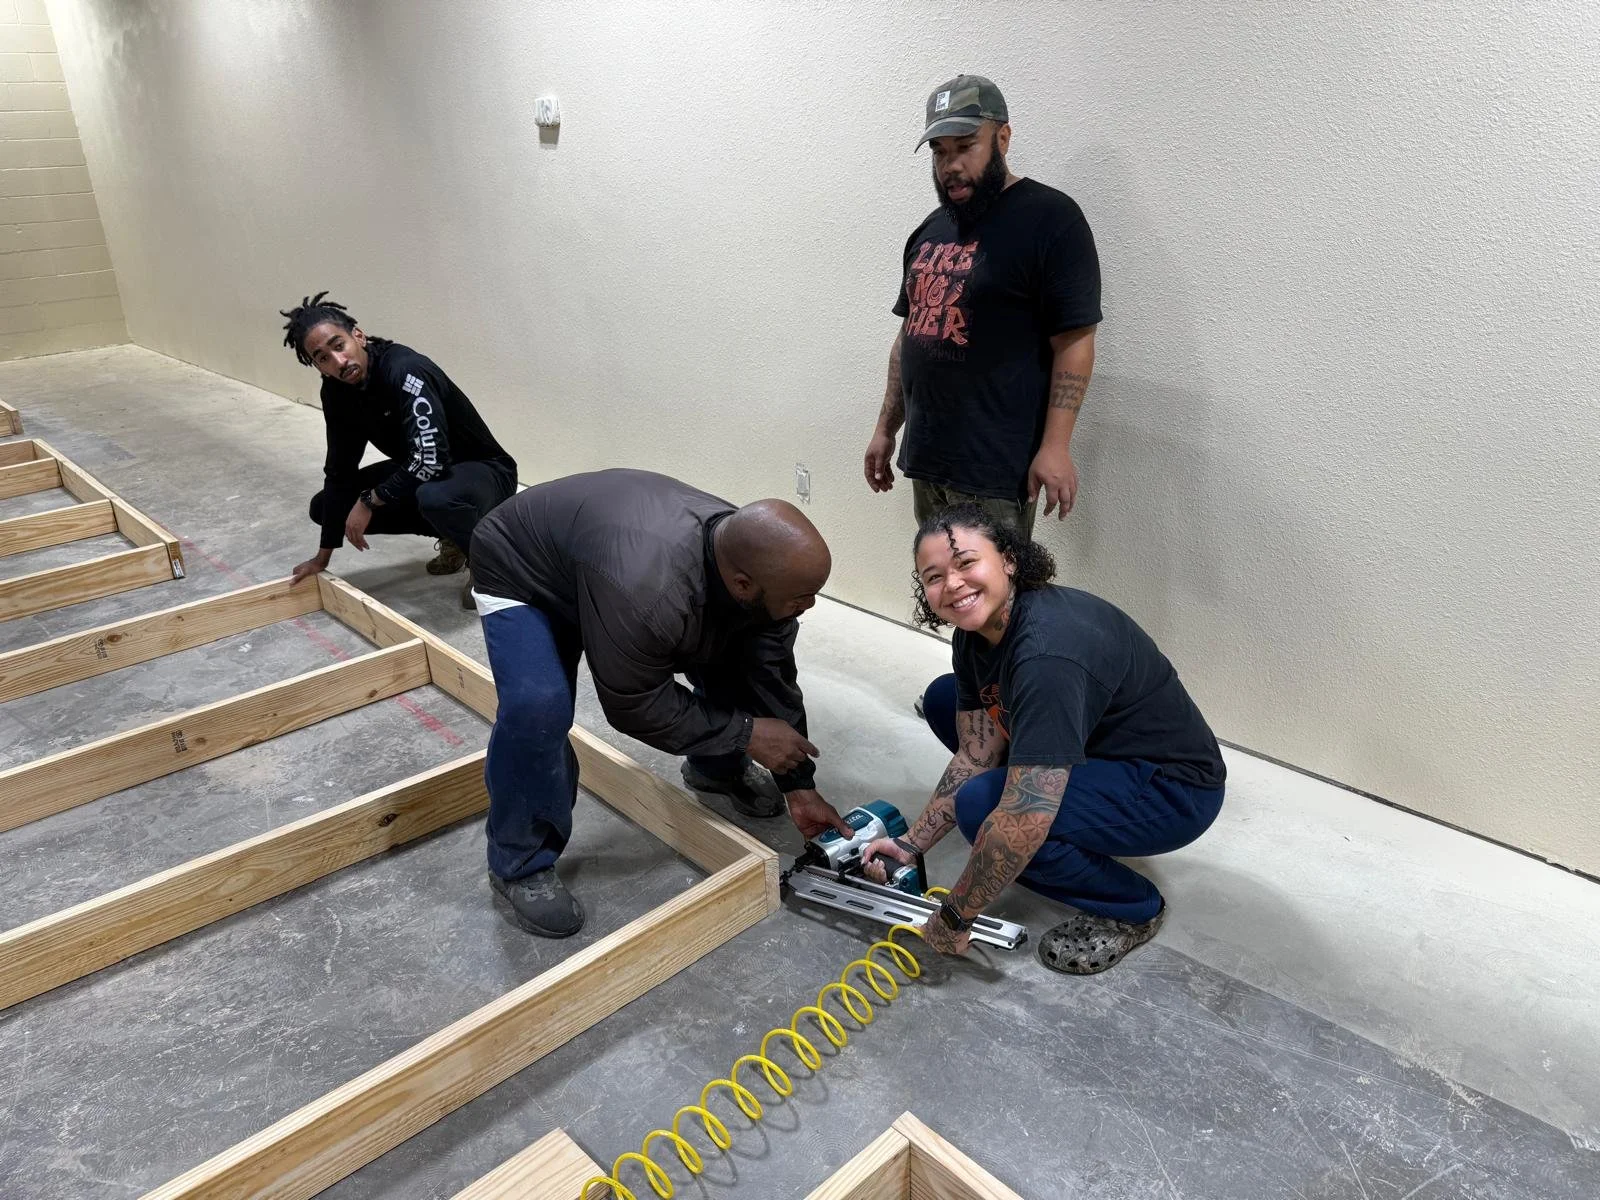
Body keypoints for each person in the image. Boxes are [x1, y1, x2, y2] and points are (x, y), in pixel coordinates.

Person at [467, 468, 853, 937]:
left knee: (736, 652)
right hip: (523, 570)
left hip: (602, 567)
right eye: (800, 598)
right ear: (743, 583)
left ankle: (716, 771)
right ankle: (520, 862)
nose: (808, 606)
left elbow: (768, 675)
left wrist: (798, 783)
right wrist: (748, 734)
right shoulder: (650, 593)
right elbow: (635, 704)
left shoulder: (755, 562)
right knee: (538, 708)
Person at [863, 504, 1226, 975]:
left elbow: (1024, 816)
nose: (952, 584)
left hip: (1172, 789)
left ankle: (1133, 907)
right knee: (943, 699)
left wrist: (956, 914)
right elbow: (977, 751)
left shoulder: (1046, 654)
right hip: (1096, 749)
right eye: (933, 576)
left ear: (1009, 560)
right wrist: (910, 845)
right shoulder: (976, 633)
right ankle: (1075, 814)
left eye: (967, 563)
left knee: (983, 808)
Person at [863, 74, 1103, 539]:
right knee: (944, 589)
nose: (950, 165)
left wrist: (1056, 446)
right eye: (939, 152)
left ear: (1003, 138)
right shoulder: (930, 230)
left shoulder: (1051, 220)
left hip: (994, 468)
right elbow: (910, 335)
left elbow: (1075, 339)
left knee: (996, 602)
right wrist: (886, 428)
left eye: (965, 146)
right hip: (929, 458)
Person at [279, 292, 518, 608]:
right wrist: (322, 558)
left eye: (339, 345)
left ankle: (490, 564)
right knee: (325, 508)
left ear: (358, 336)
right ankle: (455, 538)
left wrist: (370, 500)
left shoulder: (404, 370)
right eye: (322, 357)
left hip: (484, 471)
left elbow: (432, 458)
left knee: (434, 497)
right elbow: (339, 470)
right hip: (427, 471)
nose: (337, 361)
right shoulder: (337, 392)